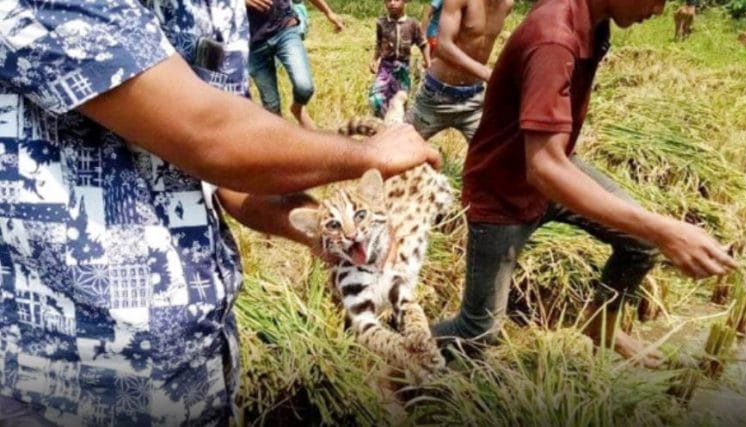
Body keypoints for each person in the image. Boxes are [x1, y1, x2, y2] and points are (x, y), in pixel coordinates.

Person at [0, 1, 439, 426]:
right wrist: (368, 154)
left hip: (200, 368)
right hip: (66, 383)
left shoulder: (220, 9)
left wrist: (328, 230)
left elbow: (232, 180)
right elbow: (209, 136)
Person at [431, 0, 737, 368]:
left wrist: (655, 231)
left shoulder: (595, 22)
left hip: (553, 168)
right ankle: (395, 347)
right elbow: (543, 168)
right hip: (504, 192)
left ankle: (600, 325)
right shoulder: (554, 38)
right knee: (478, 334)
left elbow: (550, 161)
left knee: (640, 242)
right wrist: (666, 229)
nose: (659, 10)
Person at [407, 0, 515, 143]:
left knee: (494, 158)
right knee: (398, 151)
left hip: (475, 98)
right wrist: (487, 74)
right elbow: (443, 46)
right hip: (437, 95)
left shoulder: (507, 4)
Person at [246, 0, 344, 129]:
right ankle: (282, 144)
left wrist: (328, 12)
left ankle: (297, 108)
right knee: (271, 107)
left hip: (284, 29)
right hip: (253, 44)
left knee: (304, 87)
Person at [368, 0, 431, 118]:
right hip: (385, 68)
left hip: (403, 68)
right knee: (376, 99)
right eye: (388, 1)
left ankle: (397, 126)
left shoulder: (412, 24)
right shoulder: (381, 23)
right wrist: (374, 60)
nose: (392, 3)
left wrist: (428, 62)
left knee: (400, 101)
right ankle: (382, 123)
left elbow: (423, 44)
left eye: (396, 0)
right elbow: (379, 44)